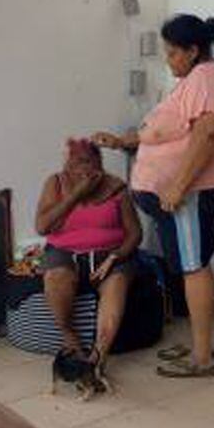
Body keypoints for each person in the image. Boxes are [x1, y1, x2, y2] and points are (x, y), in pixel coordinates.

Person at [93, 14, 214, 378]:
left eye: (173, 53)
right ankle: (199, 345)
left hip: (192, 192)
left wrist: (178, 186)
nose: (168, 60)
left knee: (193, 266)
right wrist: (122, 141)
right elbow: (168, 130)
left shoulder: (208, 77)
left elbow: (206, 135)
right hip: (184, 193)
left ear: (193, 50)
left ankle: (202, 359)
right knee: (192, 263)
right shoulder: (196, 79)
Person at [35, 138, 142, 370]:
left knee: (116, 284)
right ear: (68, 166)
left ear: (99, 165)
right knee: (56, 278)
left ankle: (98, 357)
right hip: (64, 252)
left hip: (110, 253)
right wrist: (75, 196)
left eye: (89, 162)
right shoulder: (55, 183)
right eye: (77, 163)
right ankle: (70, 338)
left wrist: (116, 256)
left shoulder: (116, 187)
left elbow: (135, 233)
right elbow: (42, 227)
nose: (84, 169)